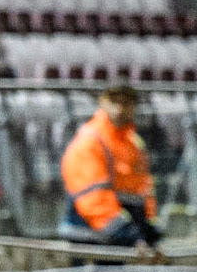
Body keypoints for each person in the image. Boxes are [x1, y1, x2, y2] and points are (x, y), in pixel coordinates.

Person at [57, 84, 163, 249]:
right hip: (89, 237)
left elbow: (143, 191)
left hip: (121, 238)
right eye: (114, 101)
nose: (120, 108)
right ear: (102, 102)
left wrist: (147, 228)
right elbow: (93, 198)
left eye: (127, 102)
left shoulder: (134, 143)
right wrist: (129, 235)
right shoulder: (90, 141)